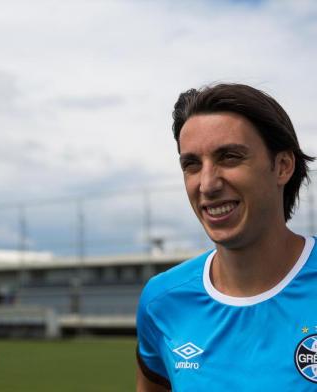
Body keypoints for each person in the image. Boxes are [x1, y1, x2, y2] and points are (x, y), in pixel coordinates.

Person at [136, 83, 317, 390]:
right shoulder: (162, 301)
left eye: (229, 157)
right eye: (192, 164)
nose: (207, 183)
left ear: (282, 166)